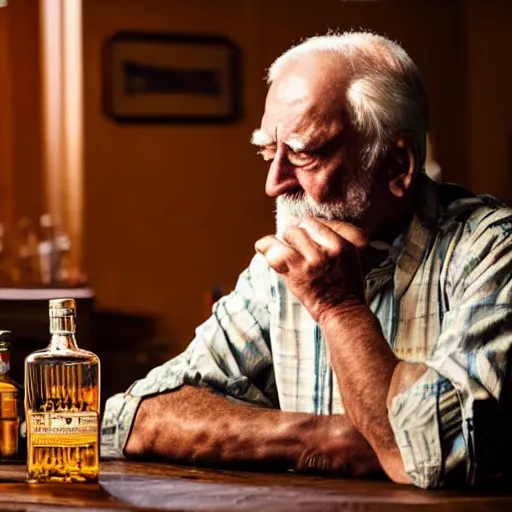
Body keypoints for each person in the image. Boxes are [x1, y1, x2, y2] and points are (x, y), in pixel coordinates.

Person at [101, 31, 512, 489]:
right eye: (267, 152)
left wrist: (339, 308)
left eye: (302, 153)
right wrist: (324, 441)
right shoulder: (288, 263)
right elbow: (136, 416)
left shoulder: (493, 251)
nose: (273, 184)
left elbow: (433, 458)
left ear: (398, 163)